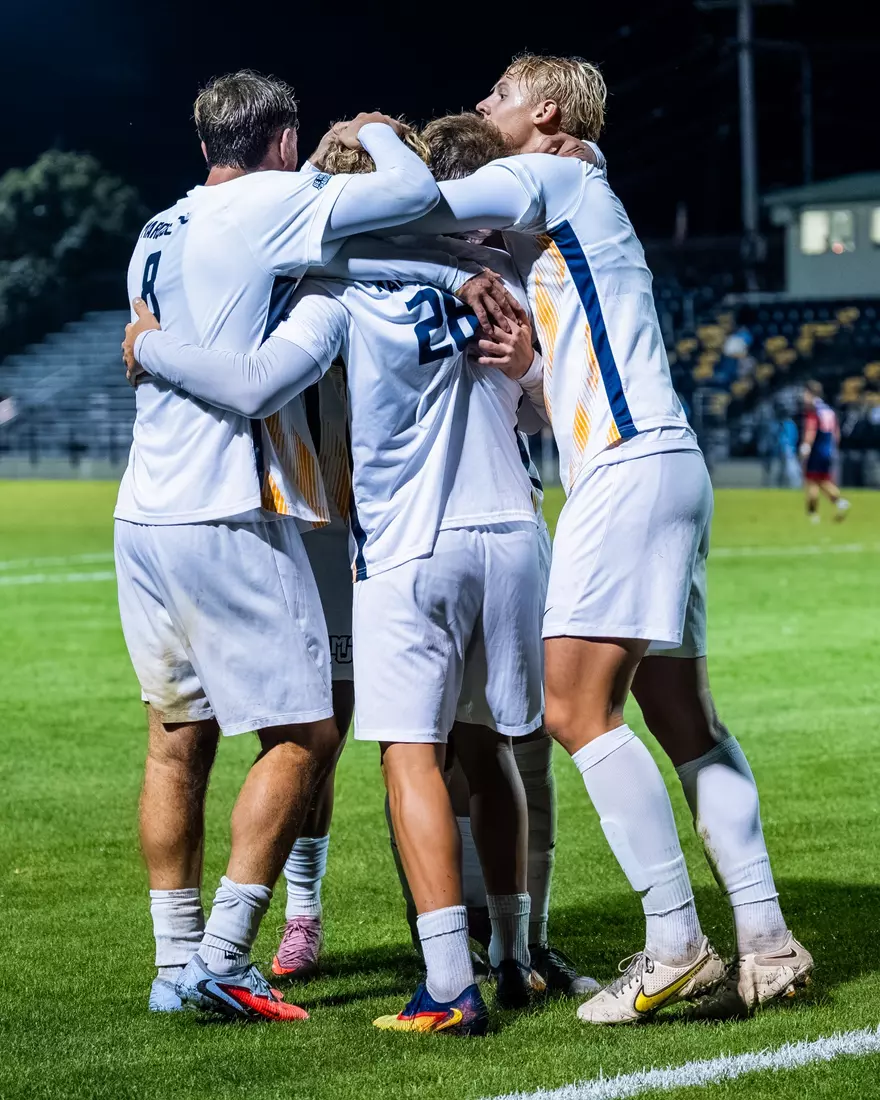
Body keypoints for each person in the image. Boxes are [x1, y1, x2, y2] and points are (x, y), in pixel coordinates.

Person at [398, 56, 812, 1022]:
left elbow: (419, 204)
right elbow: (569, 387)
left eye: (497, 94)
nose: (482, 106)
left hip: (627, 475)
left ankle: (675, 944)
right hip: (661, 463)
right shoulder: (577, 214)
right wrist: (532, 369)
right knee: (688, 723)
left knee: (575, 711)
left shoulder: (557, 173)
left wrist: (345, 178)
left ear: (544, 112)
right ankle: (767, 938)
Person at [122, 130, 550, 1036]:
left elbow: (270, 366)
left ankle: (419, 961)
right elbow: (525, 374)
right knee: (470, 745)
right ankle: (509, 949)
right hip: (471, 530)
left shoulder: (303, 277)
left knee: (367, 741)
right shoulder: (481, 276)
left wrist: (148, 347)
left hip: (370, 533)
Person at [116, 70, 440, 1022]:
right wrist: (376, 129)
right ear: (284, 140)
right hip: (226, 509)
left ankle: (174, 968)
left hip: (144, 513)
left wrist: (151, 346)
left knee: (176, 744)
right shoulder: (276, 200)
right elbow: (415, 194)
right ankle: (225, 954)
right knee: (306, 734)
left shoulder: (157, 228)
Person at [801, 381, 850, 522]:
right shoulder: (829, 410)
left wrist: (805, 446)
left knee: (811, 481)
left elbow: (811, 429)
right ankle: (840, 503)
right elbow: (836, 433)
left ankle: (813, 515)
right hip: (828, 450)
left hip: (816, 450)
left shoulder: (813, 410)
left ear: (811, 393)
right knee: (822, 480)